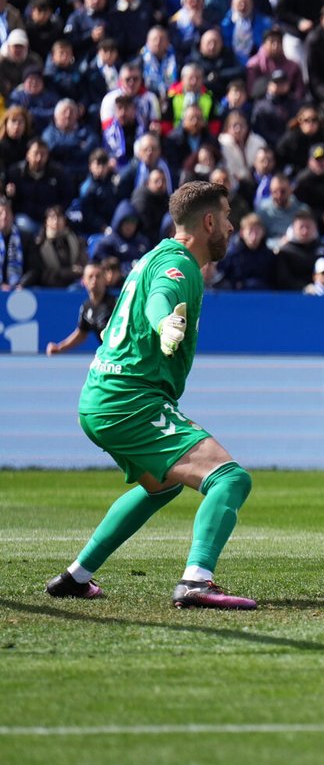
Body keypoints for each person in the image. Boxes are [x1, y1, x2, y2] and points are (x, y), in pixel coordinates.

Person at [47, 181, 257, 610]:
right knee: (231, 478)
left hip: (101, 395)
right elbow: (162, 299)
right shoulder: (179, 265)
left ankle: (77, 576)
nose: (233, 227)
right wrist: (166, 324)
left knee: (160, 487)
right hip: (130, 400)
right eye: (228, 217)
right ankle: (197, 581)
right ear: (210, 221)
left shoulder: (151, 258)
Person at [46, 262, 115, 355]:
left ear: (105, 280)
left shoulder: (115, 304)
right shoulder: (86, 307)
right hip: (110, 354)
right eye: (90, 276)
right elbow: (81, 333)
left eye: (98, 276)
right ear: (84, 281)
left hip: (123, 355)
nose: (94, 280)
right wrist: (59, 347)